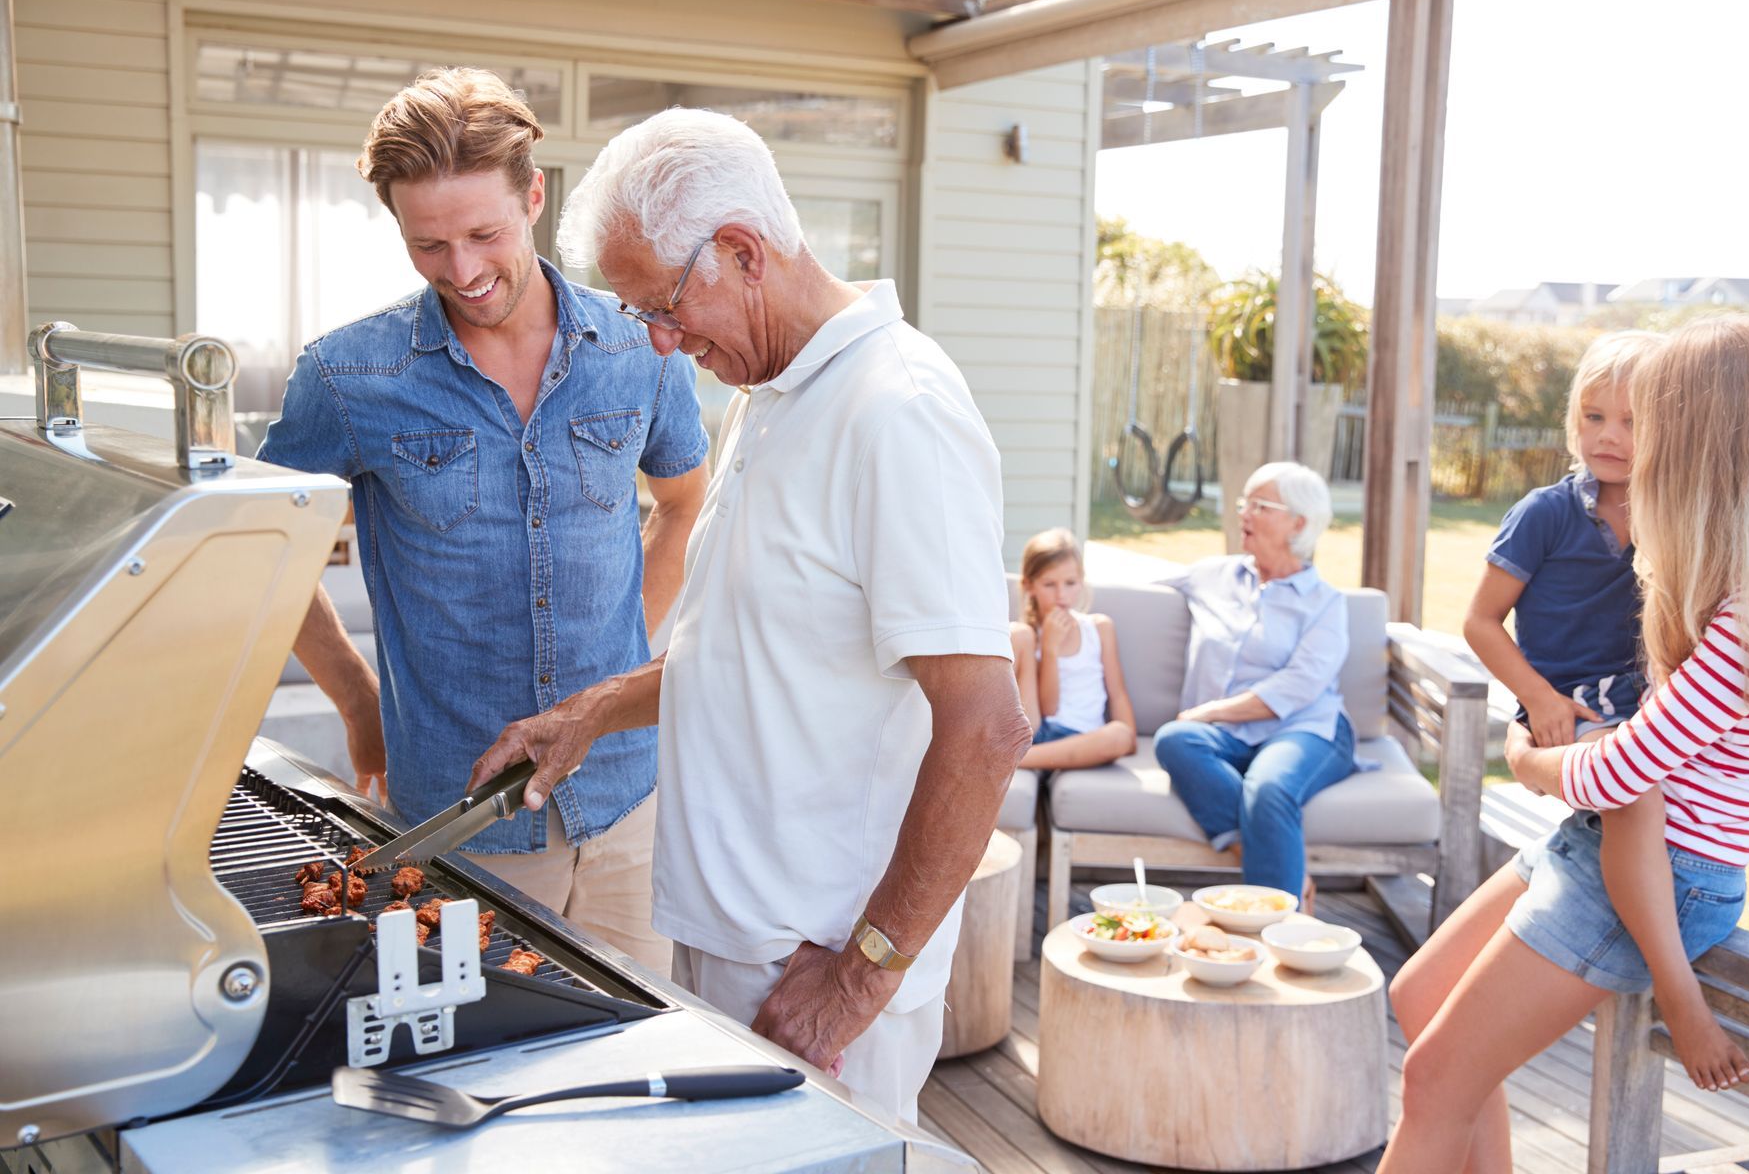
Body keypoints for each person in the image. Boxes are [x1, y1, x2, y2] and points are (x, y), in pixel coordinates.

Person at [462, 107, 1029, 1123]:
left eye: (665, 307)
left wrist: (857, 980)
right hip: (734, 940)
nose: (663, 345)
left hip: (813, 967)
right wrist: (587, 713)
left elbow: (987, 726)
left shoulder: (896, 410)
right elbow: (751, 655)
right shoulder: (766, 396)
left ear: (740, 251)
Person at [1380, 315, 1749, 1173]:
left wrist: (1528, 756)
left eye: (1651, 422)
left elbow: (1621, 773)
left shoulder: (1748, 619)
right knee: (1418, 995)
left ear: (1701, 447)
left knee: (1433, 1080)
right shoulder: (1742, 579)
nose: (1630, 447)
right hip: (1601, 854)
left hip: (1654, 885)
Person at [257, 68, 708, 975]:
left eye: (482, 234)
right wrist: (356, 699)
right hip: (461, 819)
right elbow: (258, 558)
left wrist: (611, 690)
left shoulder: (639, 347)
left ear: (535, 196)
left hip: (627, 797)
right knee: (491, 1071)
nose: (462, 271)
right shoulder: (349, 379)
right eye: (427, 244)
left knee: (642, 1064)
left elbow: (684, 503)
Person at [1153, 462, 1354, 907]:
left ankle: (1275, 935)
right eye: (1244, 503)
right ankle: (1276, 866)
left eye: (1259, 506)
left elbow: (1298, 687)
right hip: (1227, 736)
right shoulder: (1212, 575)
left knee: (1269, 788)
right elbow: (1125, 591)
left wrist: (1213, 711)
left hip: (1305, 730)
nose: (1243, 513)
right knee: (1174, 739)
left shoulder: (1326, 604)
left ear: (1298, 524)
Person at [1010, 528, 1137, 769]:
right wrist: (1049, 649)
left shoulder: (1099, 629)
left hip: (1085, 740)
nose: (1062, 595)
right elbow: (1049, 708)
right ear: (1029, 586)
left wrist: (1129, 738)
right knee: (1018, 633)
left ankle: (1013, 761)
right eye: (1049, 584)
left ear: (1081, 581)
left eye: (1070, 583)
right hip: (1038, 731)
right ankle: (1013, 756)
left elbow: (1117, 693)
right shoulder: (1030, 637)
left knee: (1119, 735)